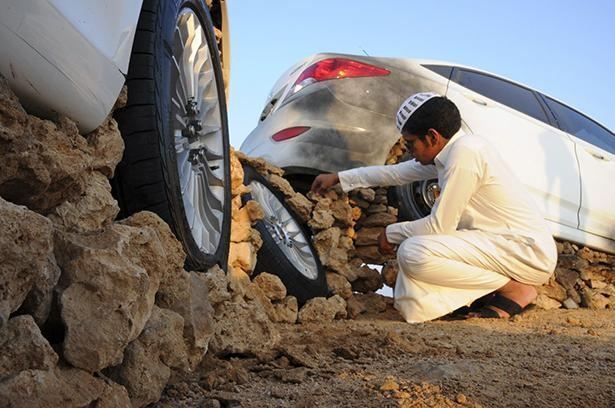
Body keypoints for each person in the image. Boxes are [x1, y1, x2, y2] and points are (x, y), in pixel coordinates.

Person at [311, 92, 557, 323]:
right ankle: (480, 296)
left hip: (525, 251)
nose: (409, 152)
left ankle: (512, 290)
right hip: (496, 245)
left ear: (432, 137)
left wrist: (391, 232)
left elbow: (440, 226)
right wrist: (339, 178)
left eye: (410, 144)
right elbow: (394, 174)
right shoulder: (448, 153)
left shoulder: (466, 153)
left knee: (412, 251)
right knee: (412, 275)